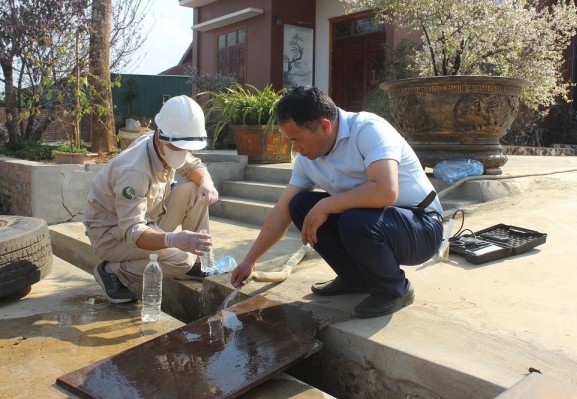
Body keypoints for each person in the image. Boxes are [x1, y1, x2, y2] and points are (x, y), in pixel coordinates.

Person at [231, 86, 443, 318]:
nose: (295, 149)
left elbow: (385, 191)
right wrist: (250, 260)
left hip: (420, 226)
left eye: (297, 140)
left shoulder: (368, 129)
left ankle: (395, 290)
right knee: (300, 205)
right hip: (375, 222)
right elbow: (282, 211)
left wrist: (326, 205)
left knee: (354, 219)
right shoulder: (307, 158)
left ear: (324, 126)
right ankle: (355, 278)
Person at [84, 95, 219, 304]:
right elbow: (132, 231)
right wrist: (173, 240)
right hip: (113, 236)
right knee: (182, 259)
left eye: (189, 147)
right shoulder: (134, 171)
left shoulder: (165, 146)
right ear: (160, 137)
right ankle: (113, 272)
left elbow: (193, 167)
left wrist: (206, 182)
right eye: (181, 147)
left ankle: (199, 260)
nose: (185, 153)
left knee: (195, 190)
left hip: (149, 221)